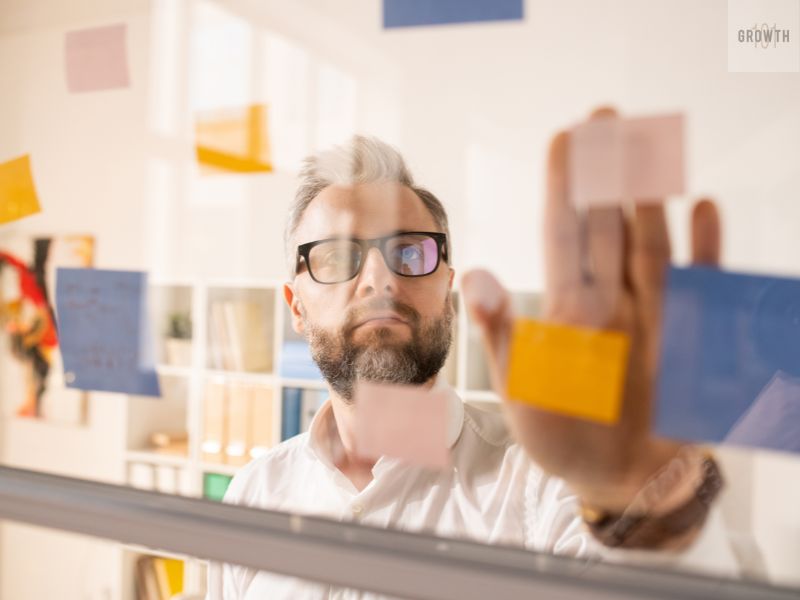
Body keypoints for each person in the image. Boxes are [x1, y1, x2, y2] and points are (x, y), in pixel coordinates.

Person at [208, 109, 738, 599]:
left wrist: (645, 510)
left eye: (409, 252)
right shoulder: (255, 493)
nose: (379, 279)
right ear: (295, 307)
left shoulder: (545, 486)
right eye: (337, 255)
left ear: (447, 289)